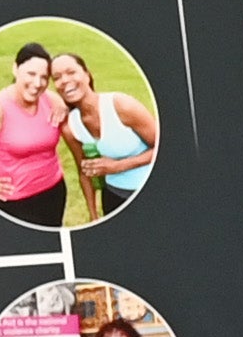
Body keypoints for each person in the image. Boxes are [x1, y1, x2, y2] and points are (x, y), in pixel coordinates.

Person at [0, 39, 80, 228]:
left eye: (44, 77)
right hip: (17, 204)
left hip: (55, 191)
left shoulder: (50, 99)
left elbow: (70, 106)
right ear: (15, 69)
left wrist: (62, 105)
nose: (37, 83)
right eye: (31, 73)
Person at [51, 50, 163, 218]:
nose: (64, 80)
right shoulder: (70, 126)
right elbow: (84, 172)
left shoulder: (121, 106)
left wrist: (118, 166)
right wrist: (93, 215)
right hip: (113, 197)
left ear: (87, 75)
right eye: (57, 77)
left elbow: (165, 147)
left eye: (71, 72)